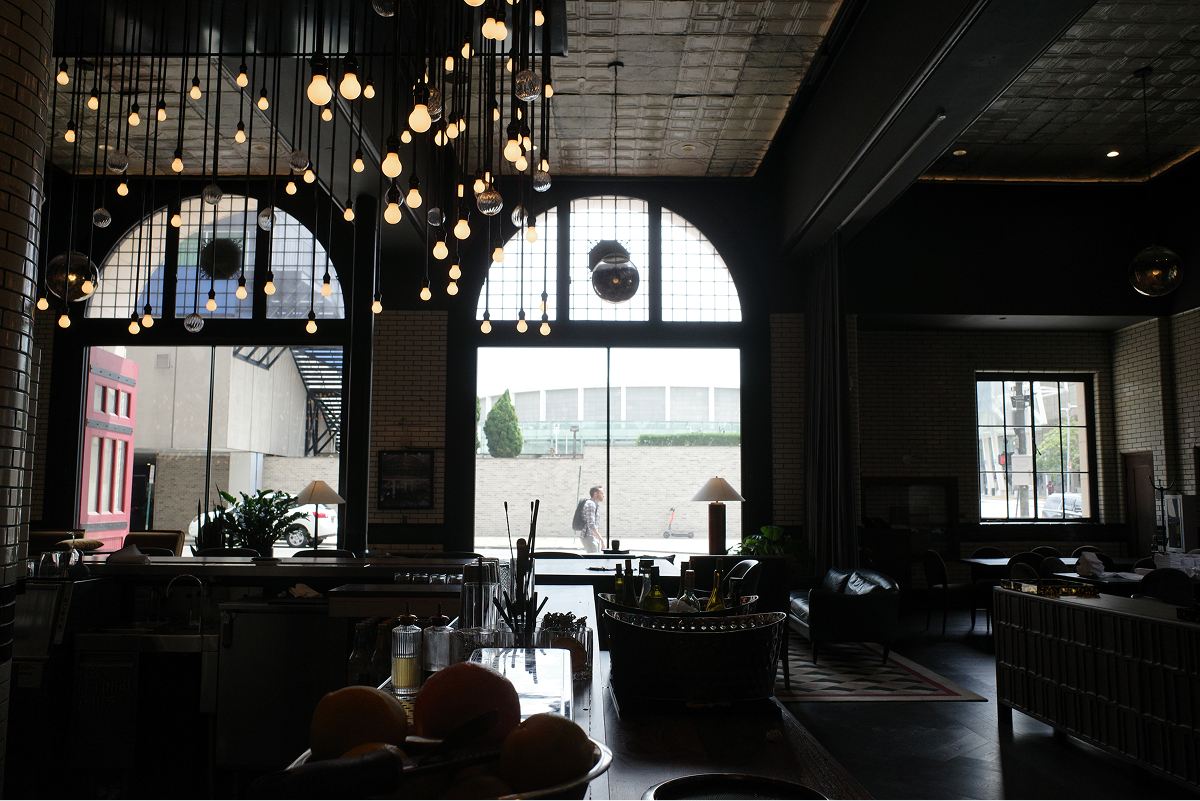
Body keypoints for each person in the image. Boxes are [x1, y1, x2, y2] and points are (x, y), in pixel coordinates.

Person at [577, 486, 605, 553]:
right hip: (589, 538)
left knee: (596, 558)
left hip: (593, 537)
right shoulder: (591, 504)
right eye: (602, 493)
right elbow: (591, 525)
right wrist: (601, 539)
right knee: (594, 559)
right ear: (595, 494)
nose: (603, 495)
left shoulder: (593, 504)